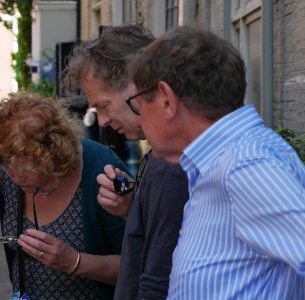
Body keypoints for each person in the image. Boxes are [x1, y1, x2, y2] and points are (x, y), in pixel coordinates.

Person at [127, 26, 305, 299]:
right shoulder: (223, 161)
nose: (138, 119)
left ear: (166, 100)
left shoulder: (245, 163)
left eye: (138, 104)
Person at [62, 24, 189, 300]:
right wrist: (131, 208)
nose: (103, 121)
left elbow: (160, 276)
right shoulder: (160, 154)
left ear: (136, 86)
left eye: (104, 106)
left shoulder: (175, 160)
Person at [0, 92, 128, 299]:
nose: (14, 179)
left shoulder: (101, 171)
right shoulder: (5, 174)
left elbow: (139, 265)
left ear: (53, 155)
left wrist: (75, 262)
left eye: (25, 171)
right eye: (8, 168)